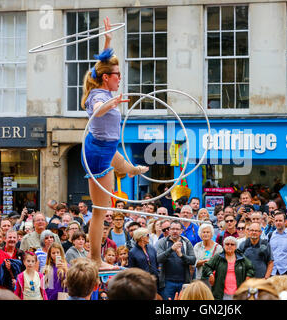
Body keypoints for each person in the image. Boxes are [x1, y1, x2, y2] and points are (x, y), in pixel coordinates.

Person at [80, 21, 148, 268]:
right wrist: (111, 103)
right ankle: (96, 259)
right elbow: (97, 111)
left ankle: (129, 168)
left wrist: (107, 42)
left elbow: (100, 65)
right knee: (101, 210)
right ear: (107, 78)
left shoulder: (103, 86)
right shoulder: (99, 95)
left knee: (121, 161)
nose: (121, 78)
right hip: (98, 153)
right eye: (118, 75)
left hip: (106, 147)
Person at [156, 220, 196, 300]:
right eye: (173, 229)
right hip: (167, 282)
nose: (175, 231)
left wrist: (181, 255)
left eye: (177, 229)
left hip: (184, 282)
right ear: (169, 230)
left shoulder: (186, 242)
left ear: (181, 231)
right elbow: (159, 259)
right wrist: (171, 249)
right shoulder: (162, 242)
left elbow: (193, 260)